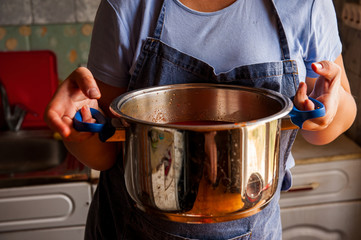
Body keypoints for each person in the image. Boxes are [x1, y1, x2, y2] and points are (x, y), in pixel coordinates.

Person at [45, 0, 357, 239]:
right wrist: (75, 130)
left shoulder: (306, 4)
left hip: (253, 225)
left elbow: (332, 118)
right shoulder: (128, 5)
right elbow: (106, 149)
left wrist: (330, 109)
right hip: (133, 227)